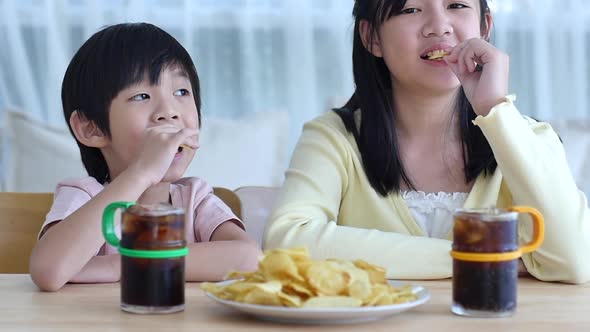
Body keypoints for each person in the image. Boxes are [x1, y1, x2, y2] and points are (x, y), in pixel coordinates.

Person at [264, 0, 590, 283]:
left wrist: (495, 110)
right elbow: (287, 243)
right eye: (410, 9)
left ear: (485, 25)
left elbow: (575, 262)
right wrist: (481, 256)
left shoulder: (530, 139)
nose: (439, 27)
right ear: (371, 37)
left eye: (457, 6)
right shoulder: (333, 137)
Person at [29, 23, 261, 291]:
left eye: (181, 92)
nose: (169, 111)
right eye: (142, 95)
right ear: (91, 128)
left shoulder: (195, 199)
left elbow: (250, 259)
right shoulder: (84, 196)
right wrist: (142, 173)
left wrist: (123, 264)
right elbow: (48, 271)